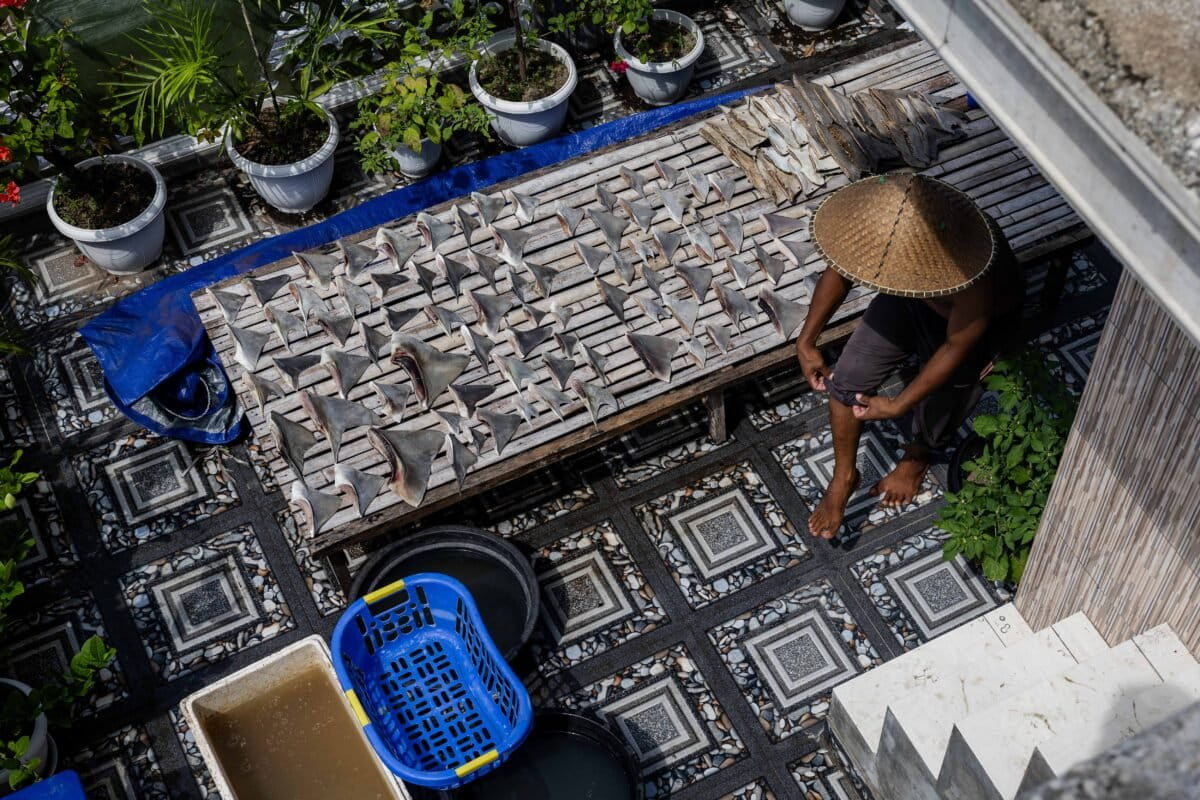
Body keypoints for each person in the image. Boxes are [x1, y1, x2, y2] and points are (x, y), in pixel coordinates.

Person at [794, 173, 1023, 539]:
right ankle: (844, 477)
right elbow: (840, 272)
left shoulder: (973, 267)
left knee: (945, 397)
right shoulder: (886, 221)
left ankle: (917, 456)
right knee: (846, 380)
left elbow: (955, 346)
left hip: (970, 326)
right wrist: (806, 341)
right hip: (911, 298)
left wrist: (898, 404)